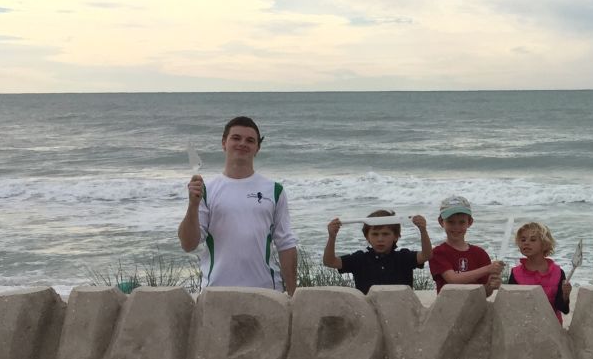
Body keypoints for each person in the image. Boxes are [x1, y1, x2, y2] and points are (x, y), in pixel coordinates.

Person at [178, 116, 298, 294]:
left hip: (266, 292)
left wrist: (293, 295)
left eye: (250, 140)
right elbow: (188, 244)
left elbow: (285, 244)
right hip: (217, 293)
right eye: (236, 138)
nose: (243, 143)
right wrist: (193, 206)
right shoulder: (206, 190)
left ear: (257, 148)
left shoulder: (274, 190)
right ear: (224, 143)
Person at [323, 210, 431, 294]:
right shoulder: (360, 259)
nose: (380, 239)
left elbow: (426, 255)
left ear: (396, 236)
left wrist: (423, 230)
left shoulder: (403, 257)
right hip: (369, 313)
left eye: (385, 234)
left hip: (400, 311)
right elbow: (330, 262)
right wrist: (332, 237)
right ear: (367, 237)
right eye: (375, 234)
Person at [428, 196, 503, 295]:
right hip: (448, 308)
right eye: (451, 222)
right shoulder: (438, 253)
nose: (456, 227)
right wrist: (488, 269)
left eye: (462, 222)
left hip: (475, 307)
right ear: (441, 222)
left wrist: (492, 285)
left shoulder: (480, 253)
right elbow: (453, 279)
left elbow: (486, 293)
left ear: (470, 222)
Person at [506, 222, 572, 322]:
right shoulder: (516, 273)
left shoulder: (558, 273)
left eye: (533, 240)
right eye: (523, 240)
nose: (526, 243)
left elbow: (563, 309)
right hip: (524, 325)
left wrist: (565, 295)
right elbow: (512, 306)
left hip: (552, 326)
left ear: (545, 245)